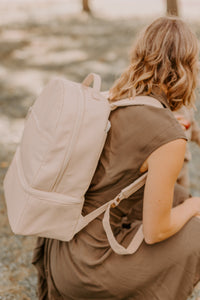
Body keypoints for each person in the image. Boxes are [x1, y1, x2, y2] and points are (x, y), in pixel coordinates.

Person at [32, 16, 200, 300]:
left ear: (140, 55)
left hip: (59, 252)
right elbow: (155, 232)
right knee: (195, 224)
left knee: (179, 198)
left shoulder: (114, 99)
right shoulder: (169, 136)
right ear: (189, 68)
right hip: (89, 271)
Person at [173, 106, 200, 191]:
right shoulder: (163, 108)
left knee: (185, 195)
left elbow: (194, 130)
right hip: (169, 165)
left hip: (183, 164)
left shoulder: (186, 107)